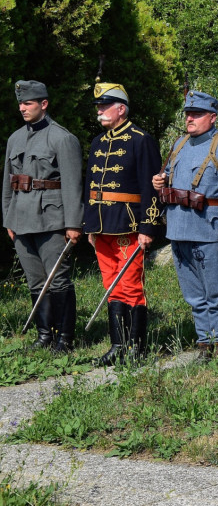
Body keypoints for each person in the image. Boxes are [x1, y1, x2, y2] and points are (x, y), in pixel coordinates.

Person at [152, 91, 218, 359]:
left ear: (212, 117)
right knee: (193, 294)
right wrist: (159, 182)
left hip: (210, 230)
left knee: (215, 291)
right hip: (179, 229)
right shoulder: (179, 145)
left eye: (197, 114)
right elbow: (170, 179)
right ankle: (204, 342)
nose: (190, 118)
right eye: (188, 113)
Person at [83, 83, 163, 365]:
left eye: (105, 106)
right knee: (111, 285)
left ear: (121, 109)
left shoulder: (141, 139)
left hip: (129, 224)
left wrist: (148, 227)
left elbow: (150, 188)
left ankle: (136, 348)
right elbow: (90, 186)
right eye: (98, 106)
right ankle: (118, 346)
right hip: (101, 225)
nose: (100, 111)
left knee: (130, 285)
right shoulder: (98, 142)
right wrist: (89, 224)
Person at [2, 80, 83, 352]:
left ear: (43, 104)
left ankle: (65, 339)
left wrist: (73, 224)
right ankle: (44, 336)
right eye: (20, 104)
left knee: (57, 280)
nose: (22, 108)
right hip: (20, 219)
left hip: (51, 219)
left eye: (28, 103)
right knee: (36, 281)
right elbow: (8, 183)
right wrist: (8, 218)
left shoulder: (62, 138)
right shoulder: (15, 139)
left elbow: (73, 185)